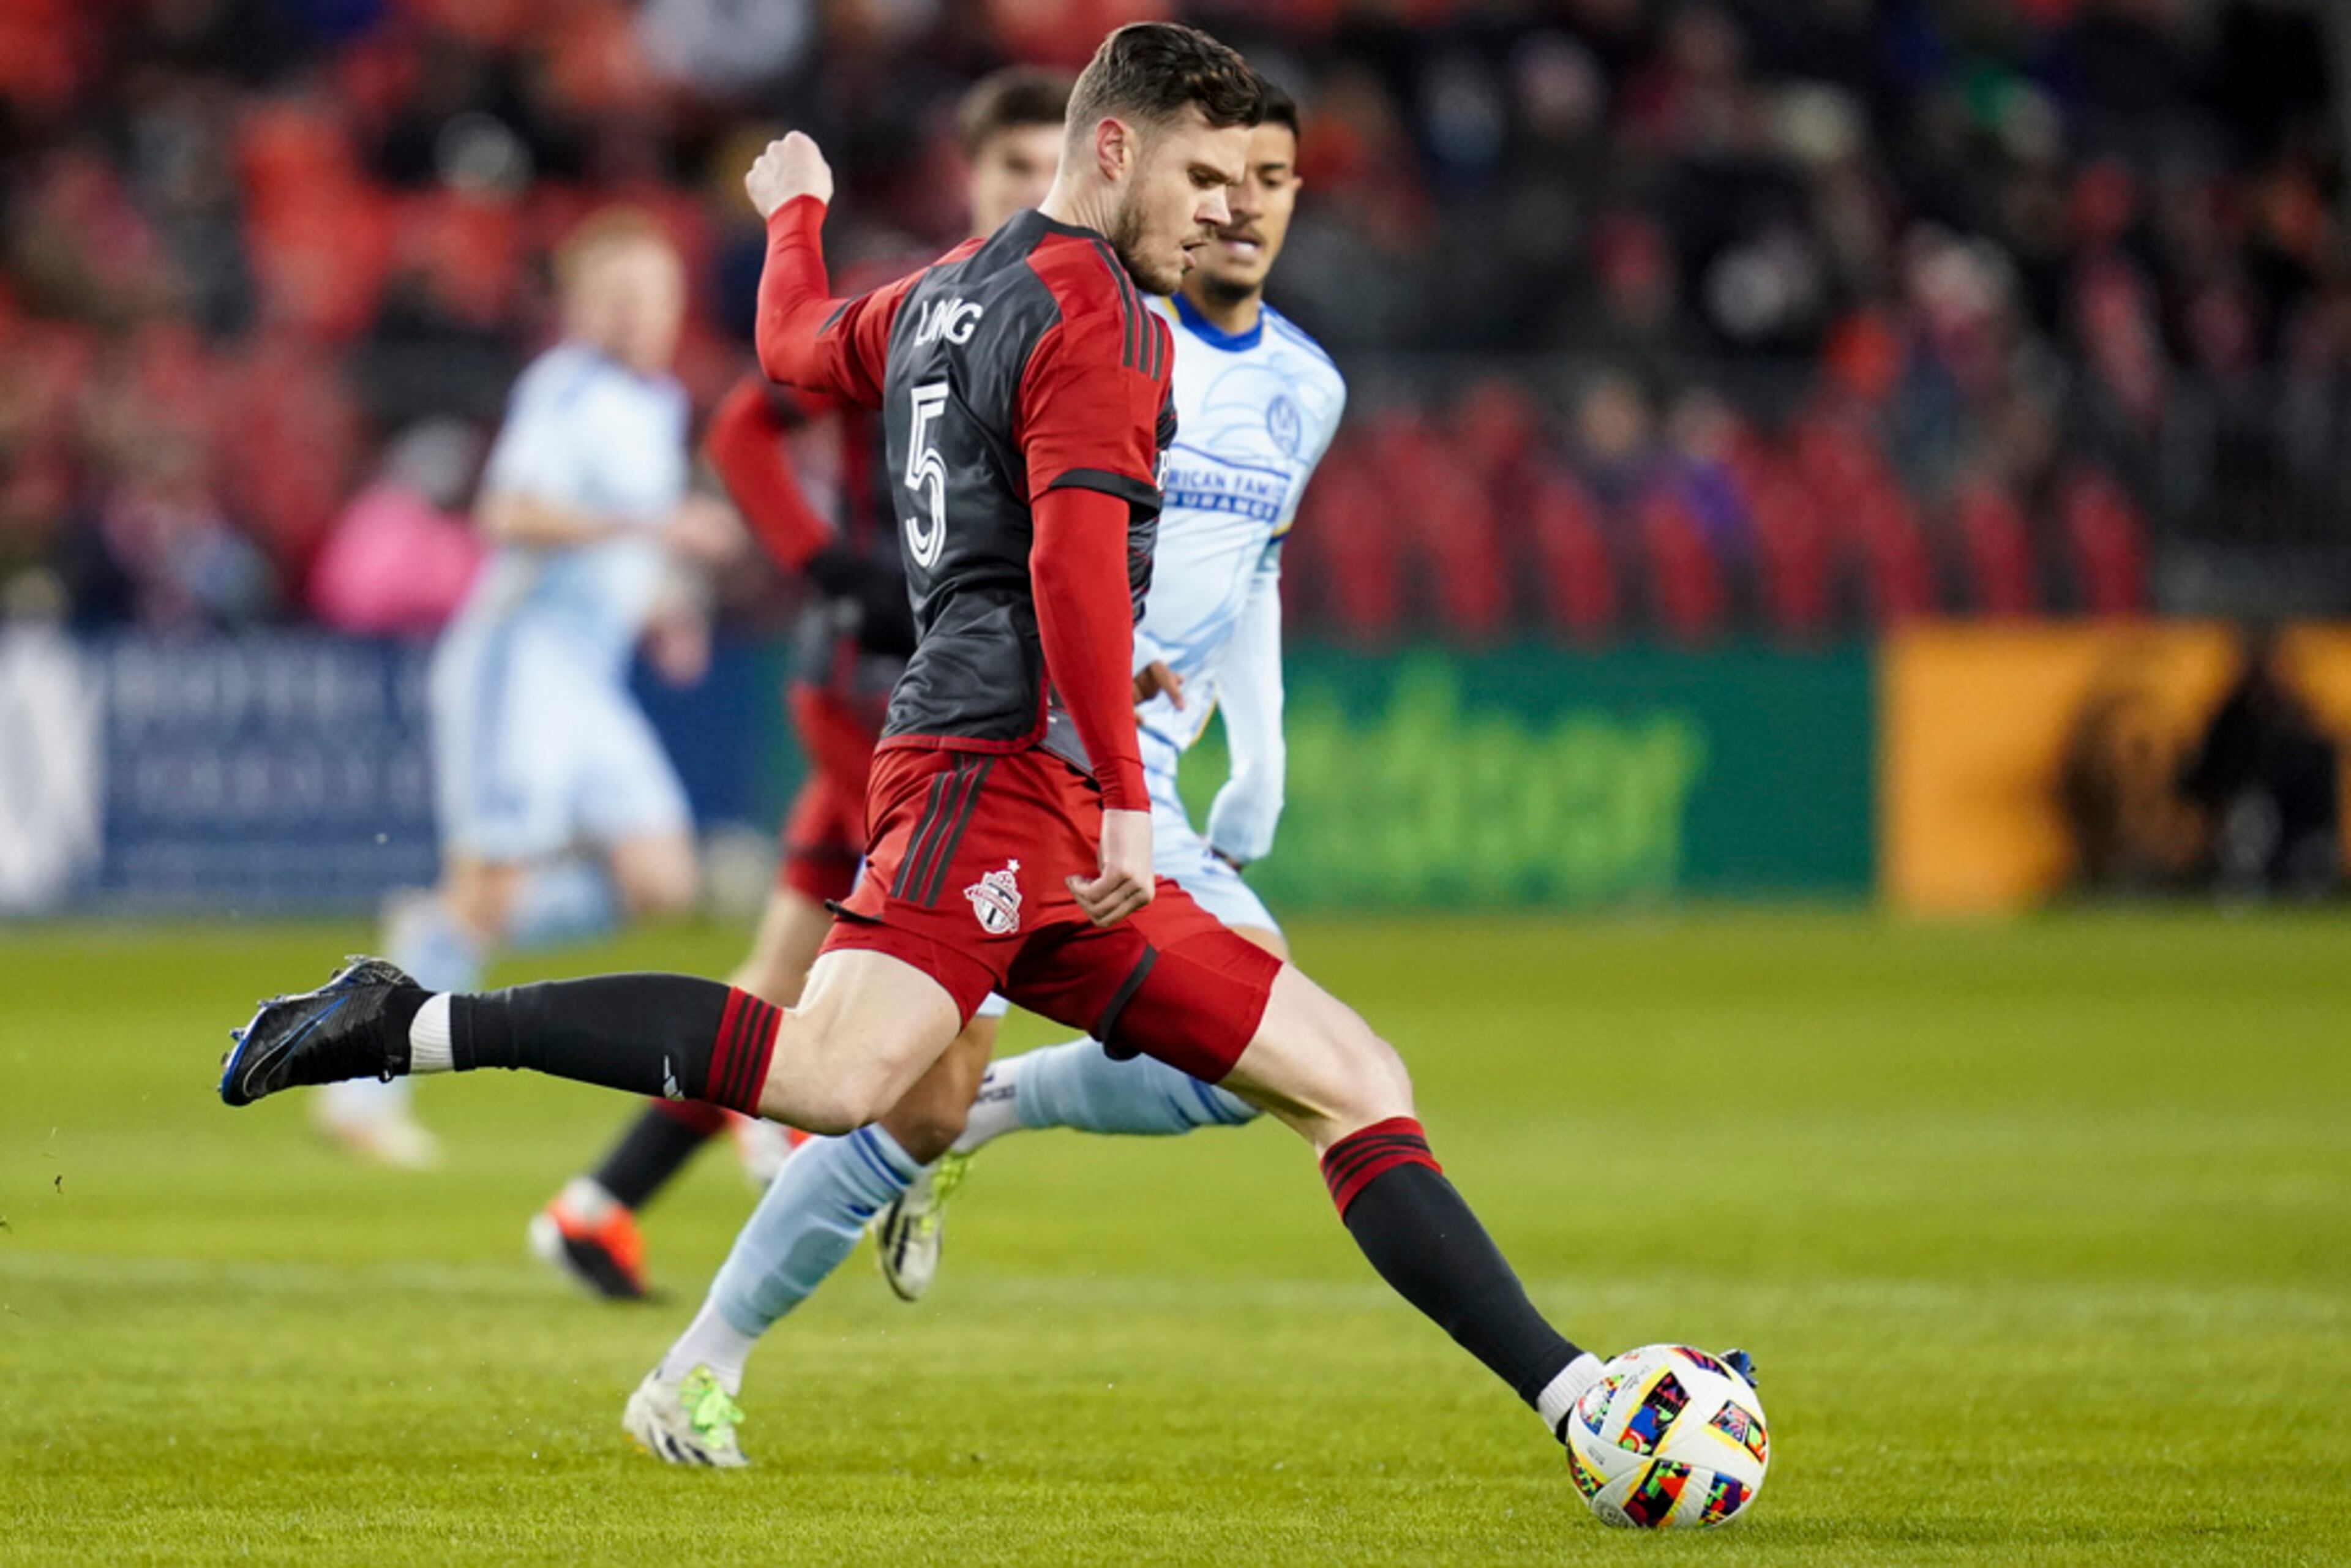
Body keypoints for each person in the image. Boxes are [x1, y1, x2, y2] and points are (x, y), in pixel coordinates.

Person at [223, 21, 1692, 1479]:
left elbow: (795, 344)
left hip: (1030, 786)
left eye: (1249, 185)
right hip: (997, 774)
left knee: (1352, 1078)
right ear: (1113, 149)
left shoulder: (946, 291)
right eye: (1199, 178)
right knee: (829, 1079)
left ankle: (1581, 1409)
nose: (1223, 212)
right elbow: (1066, 566)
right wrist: (1131, 798)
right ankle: (409, 1021)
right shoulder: (1101, 315)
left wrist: (791, 212)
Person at [528, 68, 1073, 1302]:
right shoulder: (925, 304)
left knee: (782, 973)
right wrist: (828, 566)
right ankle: (852, 1138)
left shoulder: (1077, 311)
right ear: (972, 177)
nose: (1034, 194)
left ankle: (597, 1203)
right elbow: (740, 431)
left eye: (1053, 171)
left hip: (945, 695)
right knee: (941, 948)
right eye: (1011, 172)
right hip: (878, 687)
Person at [313, 211, 735, 1169]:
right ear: (582, 308)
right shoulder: (566, 391)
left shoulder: (657, 402)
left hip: (588, 677)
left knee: (661, 879)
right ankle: (354, 1087)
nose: (637, 315)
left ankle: (434, 928)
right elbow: (511, 511)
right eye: (617, 297)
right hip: (523, 663)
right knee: (492, 891)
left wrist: (667, 604)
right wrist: (656, 530)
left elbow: (629, 542)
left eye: (652, 296)